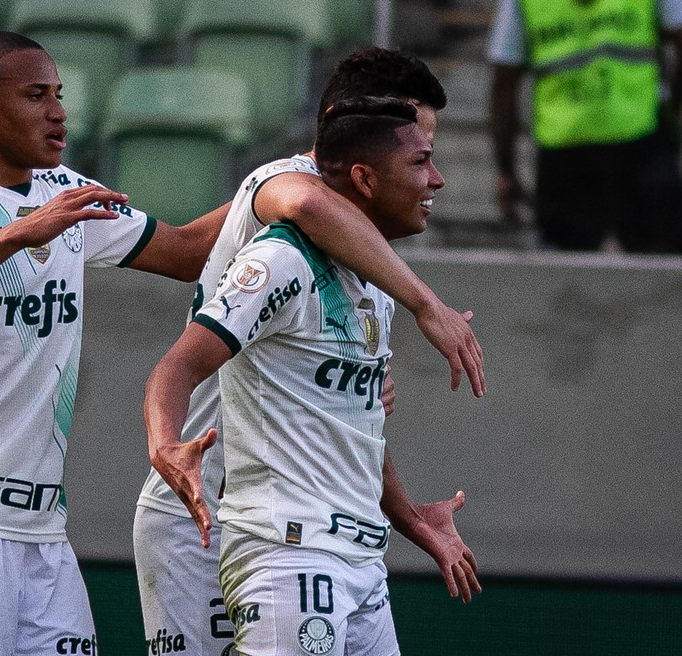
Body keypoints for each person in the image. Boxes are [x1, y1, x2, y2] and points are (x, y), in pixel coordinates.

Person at [0, 33, 479, 654]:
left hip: (41, 524)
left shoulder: (61, 193)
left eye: (60, 95)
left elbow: (184, 251)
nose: (59, 112)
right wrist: (17, 237)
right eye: (36, 95)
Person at [135, 49, 482, 656]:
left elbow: (350, 416)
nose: (435, 176)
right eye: (419, 152)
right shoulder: (295, 190)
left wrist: (404, 511)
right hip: (210, 509)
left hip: (324, 523)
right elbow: (307, 204)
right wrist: (432, 305)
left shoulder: (371, 264)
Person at [488, 0, 682, 254]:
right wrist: (671, 106)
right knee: (668, 270)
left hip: (564, 152)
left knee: (566, 274)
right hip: (641, 139)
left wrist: (506, 170)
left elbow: (504, 83)